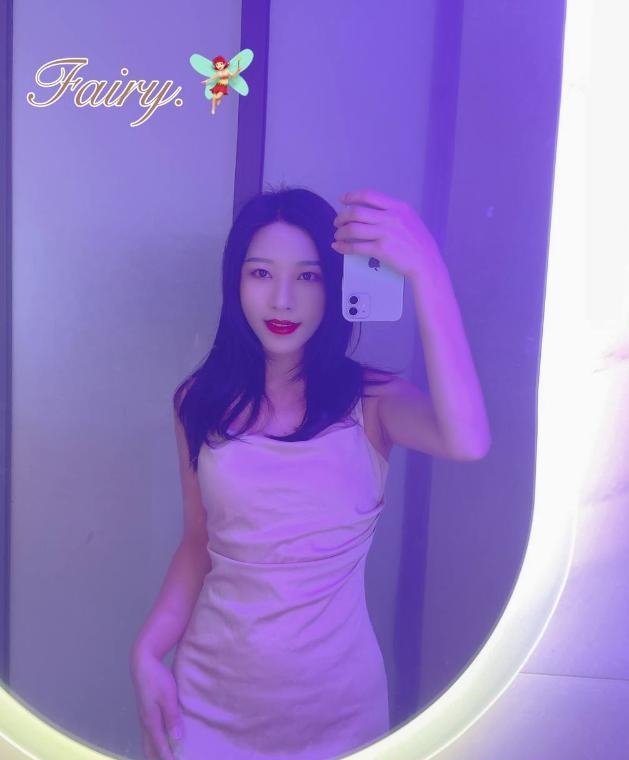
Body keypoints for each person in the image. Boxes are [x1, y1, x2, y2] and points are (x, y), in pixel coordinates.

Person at [129, 186, 491, 760]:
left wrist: (426, 270)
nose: (282, 300)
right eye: (261, 273)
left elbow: (467, 440)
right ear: (235, 282)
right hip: (205, 705)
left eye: (308, 277)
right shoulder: (197, 401)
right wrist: (148, 651)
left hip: (337, 716)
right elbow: (199, 542)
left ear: (335, 284)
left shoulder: (372, 401)